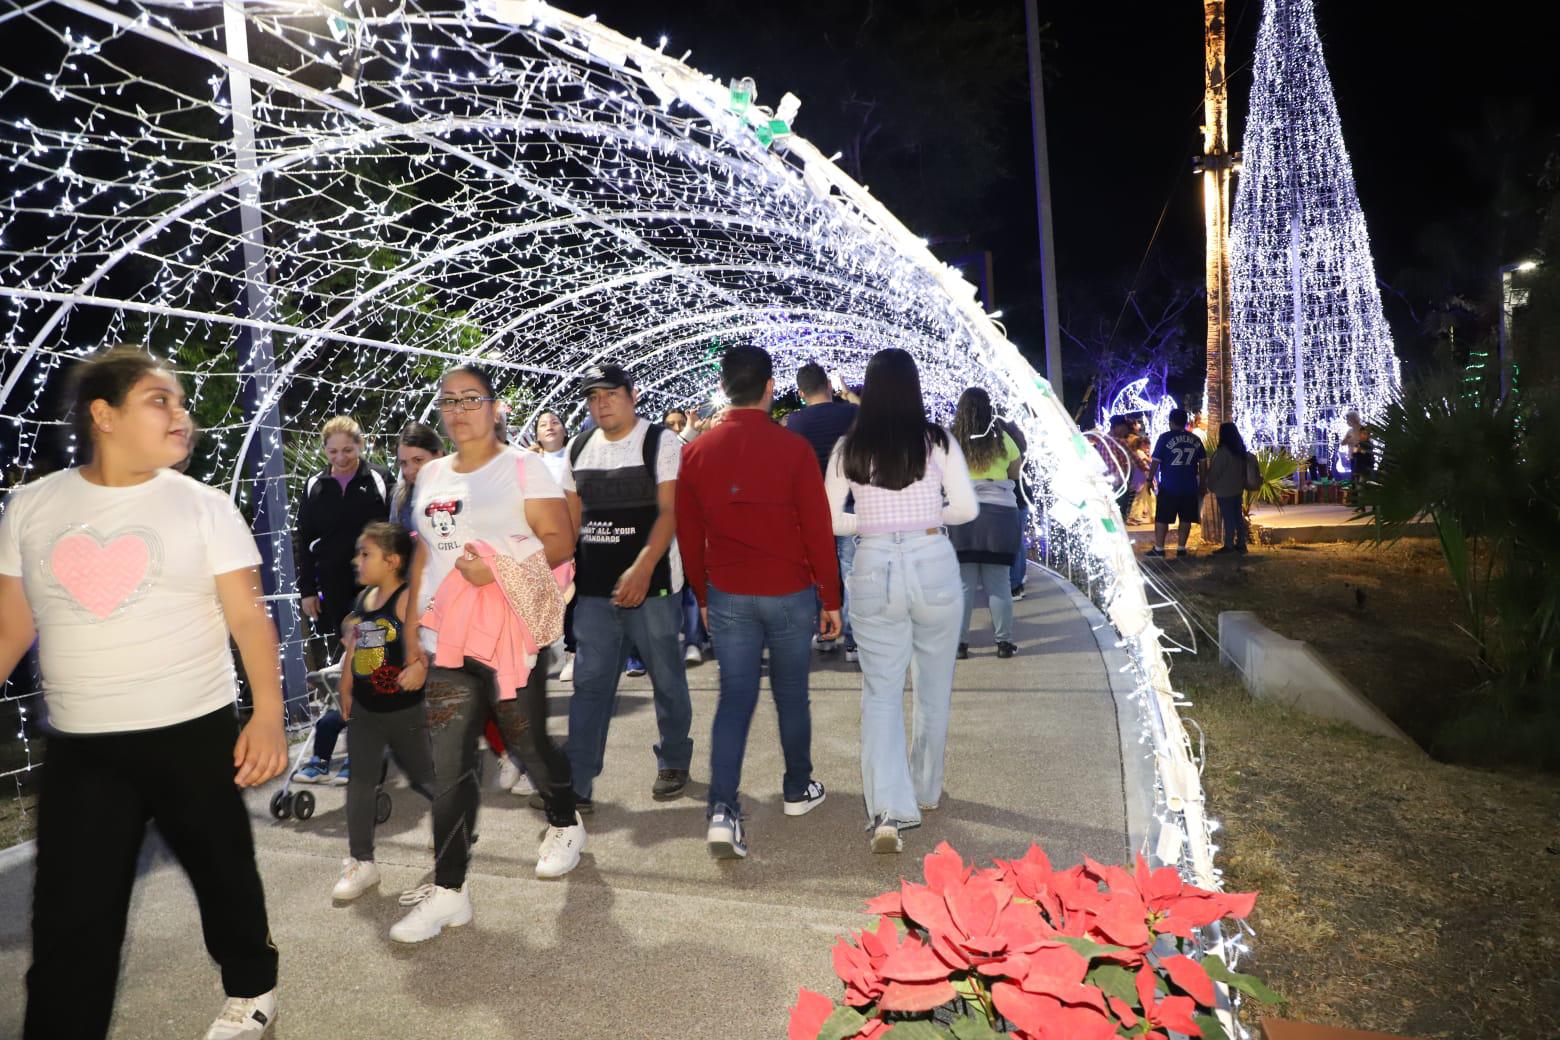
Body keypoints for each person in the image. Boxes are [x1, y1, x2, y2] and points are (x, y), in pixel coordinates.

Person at [1, 346, 287, 1039]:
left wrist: (269, 715)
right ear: (104, 415)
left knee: (223, 876)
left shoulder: (204, 507)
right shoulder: (34, 507)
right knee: (70, 920)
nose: (181, 415)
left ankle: (251, 985)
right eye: (161, 400)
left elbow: (249, 618)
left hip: (194, 731)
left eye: (181, 402)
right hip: (83, 748)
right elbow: (12, 622)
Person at [394, 364, 582, 943]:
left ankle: (564, 818)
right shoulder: (431, 478)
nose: (458, 409)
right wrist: (410, 631)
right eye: (448, 400)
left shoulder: (524, 468)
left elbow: (560, 541)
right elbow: (424, 555)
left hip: (507, 633)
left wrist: (496, 569)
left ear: (495, 407)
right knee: (449, 766)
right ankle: (450, 891)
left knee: (526, 741)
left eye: (471, 398)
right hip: (446, 638)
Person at [677, 346, 840, 859]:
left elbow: (687, 534)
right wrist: (830, 597)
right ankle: (797, 788)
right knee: (792, 694)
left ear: (724, 389)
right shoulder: (791, 450)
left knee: (735, 699)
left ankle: (722, 811)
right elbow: (817, 528)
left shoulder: (697, 452)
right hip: (790, 591)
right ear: (770, 387)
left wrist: (703, 595)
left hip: (728, 592)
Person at [825, 348, 977, 854]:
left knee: (881, 692)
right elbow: (966, 509)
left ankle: (888, 811)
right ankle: (926, 788)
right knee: (933, 687)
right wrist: (921, 516)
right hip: (932, 561)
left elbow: (830, 518)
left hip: (872, 570)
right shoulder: (937, 440)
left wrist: (873, 522)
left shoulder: (849, 446)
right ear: (913, 387)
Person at [563, 363, 694, 808]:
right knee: (590, 686)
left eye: (609, 395)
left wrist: (642, 566)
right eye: (593, 397)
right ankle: (576, 782)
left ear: (631, 395)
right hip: (596, 594)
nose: (601, 404)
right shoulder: (578, 447)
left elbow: (669, 513)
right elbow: (570, 521)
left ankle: (674, 758)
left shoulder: (661, 441)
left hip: (654, 587)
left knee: (667, 679)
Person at [331, 521, 436, 902]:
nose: (357, 560)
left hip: (405, 713)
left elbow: (425, 641)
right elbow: (354, 649)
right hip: (365, 710)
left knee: (425, 775)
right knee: (360, 781)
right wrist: (345, 687)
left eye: (365, 554)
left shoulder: (408, 598)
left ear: (392, 561)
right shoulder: (363, 602)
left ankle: (454, 821)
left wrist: (419, 668)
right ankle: (362, 861)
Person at [292, 415, 392, 784]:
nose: (341, 457)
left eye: (348, 450)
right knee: (349, 668)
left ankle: (360, 751)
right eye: (333, 451)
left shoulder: (379, 479)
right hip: (335, 593)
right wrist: (307, 590)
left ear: (361, 445)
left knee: (366, 668)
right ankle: (336, 749)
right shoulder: (315, 485)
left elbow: (395, 532)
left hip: (374, 592)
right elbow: (304, 538)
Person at [784, 362, 860, 660]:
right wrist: (851, 397)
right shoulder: (852, 414)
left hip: (813, 508)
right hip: (851, 503)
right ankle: (854, 640)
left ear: (802, 393)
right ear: (829, 385)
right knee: (852, 573)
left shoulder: (795, 423)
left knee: (819, 574)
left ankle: (825, 634)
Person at [947, 388, 1022, 660]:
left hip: (961, 514)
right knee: (999, 583)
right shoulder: (1002, 438)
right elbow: (1015, 471)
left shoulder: (951, 440)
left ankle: (960, 644)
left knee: (963, 585)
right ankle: (1003, 643)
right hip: (999, 516)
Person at [530, 409, 582, 683]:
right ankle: (539, 650)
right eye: (542, 424)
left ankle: (573, 652)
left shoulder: (576, 456)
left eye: (554, 422)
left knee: (573, 596)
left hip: (576, 535)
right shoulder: (530, 461)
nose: (549, 427)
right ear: (537, 433)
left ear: (564, 429)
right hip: (543, 540)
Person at [1147, 408, 1208, 559]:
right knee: (1186, 518)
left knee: (1162, 518)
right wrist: (1202, 484)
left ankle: (1159, 548)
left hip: (1169, 486)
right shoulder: (1195, 439)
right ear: (1185, 422)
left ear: (1171, 422)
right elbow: (1203, 463)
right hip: (1189, 486)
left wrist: (1149, 480)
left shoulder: (1164, 438)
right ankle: (1181, 548)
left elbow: (1155, 461)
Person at [1206, 422, 1256, 556]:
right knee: (1237, 517)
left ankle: (1229, 545)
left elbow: (1215, 472)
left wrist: (1209, 484)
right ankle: (1241, 544)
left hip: (1224, 490)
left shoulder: (1223, 452)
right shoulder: (1239, 451)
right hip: (1237, 488)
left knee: (1228, 518)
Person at [391, 422, 444, 533]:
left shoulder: (462, 488)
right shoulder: (401, 496)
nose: (410, 470)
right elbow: (394, 542)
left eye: (418, 460)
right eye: (404, 463)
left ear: (438, 455)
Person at [1342, 410, 1373, 482]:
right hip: (1353, 457)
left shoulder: (1363, 430)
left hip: (1363, 458)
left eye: (1348, 419)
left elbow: (1368, 445)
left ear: (1353, 419)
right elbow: (1343, 443)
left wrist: (1358, 448)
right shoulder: (1350, 431)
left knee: (1362, 479)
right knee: (1355, 478)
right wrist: (1347, 439)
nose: (1347, 422)